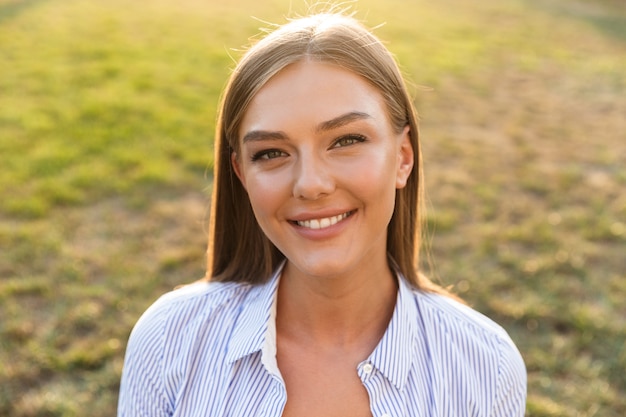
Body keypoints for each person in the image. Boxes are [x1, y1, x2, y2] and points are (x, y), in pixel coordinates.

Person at [118, 9, 526, 417]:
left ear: (403, 157)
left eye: (346, 140)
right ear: (242, 174)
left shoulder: (485, 366)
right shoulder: (169, 341)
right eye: (272, 153)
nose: (310, 184)